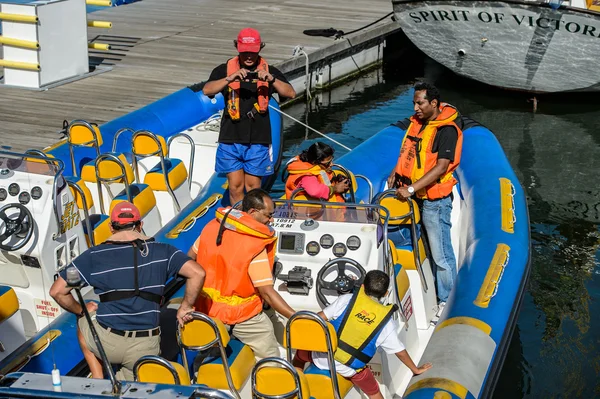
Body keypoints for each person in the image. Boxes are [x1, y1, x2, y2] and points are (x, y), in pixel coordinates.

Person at [50, 202, 206, 380]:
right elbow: (197, 273)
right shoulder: (163, 251)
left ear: (110, 227)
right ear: (140, 225)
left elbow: (58, 291)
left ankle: (98, 378)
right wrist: (185, 307)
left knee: (83, 321)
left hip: (108, 343)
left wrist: (80, 310)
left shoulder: (93, 256)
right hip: (145, 346)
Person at [188, 188, 295, 358]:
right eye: (268, 215)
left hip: (206, 309)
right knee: (268, 351)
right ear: (253, 212)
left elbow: (190, 259)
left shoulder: (212, 227)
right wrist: (295, 316)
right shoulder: (255, 245)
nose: (271, 219)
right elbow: (267, 293)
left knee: (210, 353)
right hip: (242, 314)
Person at [293, 270, 431, 399]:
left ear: (363, 286)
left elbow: (318, 318)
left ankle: (295, 384)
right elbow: (399, 352)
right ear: (385, 294)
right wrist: (415, 369)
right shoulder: (385, 322)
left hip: (322, 356)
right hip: (349, 368)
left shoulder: (346, 299)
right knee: (374, 391)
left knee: (300, 355)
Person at [387, 82, 463, 307]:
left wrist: (410, 189)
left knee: (441, 254)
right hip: (416, 197)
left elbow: (440, 167)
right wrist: (395, 172)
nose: (416, 108)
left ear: (434, 103)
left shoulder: (446, 130)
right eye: (414, 103)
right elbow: (409, 154)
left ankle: (448, 301)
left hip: (434, 201)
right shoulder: (417, 125)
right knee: (425, 246)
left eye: (420, 103)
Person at [203, 28, 296, 206]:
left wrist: (272, 80)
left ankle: (254, 220)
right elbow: (207, 90)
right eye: (244, 51)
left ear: (260, 48)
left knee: (253, 187)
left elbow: (291, 93)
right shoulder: (224, 70)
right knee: (235, 187)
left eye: (253, 51)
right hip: (231, 137)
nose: (248, 56)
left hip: (258, 138)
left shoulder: (270, 70)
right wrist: (230, 79)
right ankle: (239, 219)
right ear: (237, 47)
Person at [285, 142, 350, 202]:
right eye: (327, 163)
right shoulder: (307, 176)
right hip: (314, 212)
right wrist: (334, 189)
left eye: (331, 160)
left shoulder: (316, 167)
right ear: (315, 162)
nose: (331, 164)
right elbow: (314, 191)